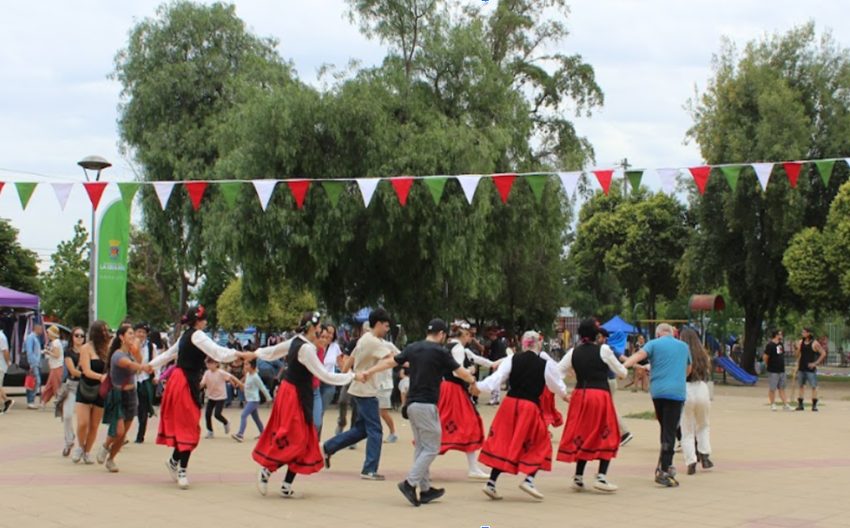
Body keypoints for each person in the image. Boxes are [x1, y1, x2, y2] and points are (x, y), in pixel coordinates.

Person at [147, 306, 268, 489]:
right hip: (184, 382)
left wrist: (150, 365)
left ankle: (174, 461)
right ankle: (181, 469)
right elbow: (217, 352)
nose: (205, 322)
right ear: (198, 321)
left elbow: (168, 354)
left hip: (181, 381)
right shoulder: (197, 335)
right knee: (189, 426)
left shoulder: (186, 335)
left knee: (187, 425)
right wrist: (240, 354)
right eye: (204, 319)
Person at [250, 311, 363, 498]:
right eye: (319, 328)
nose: (321, 332)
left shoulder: (300, 341)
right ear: (312, 328)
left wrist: (253, 353)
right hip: (294, 395)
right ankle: (267, 470)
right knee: (294, 437)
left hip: (297, 393)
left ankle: (286, 484)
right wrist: (352, 376)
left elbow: (272, 351)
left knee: (304, 440)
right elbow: (324, 375)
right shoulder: (305, 348)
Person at [365, 318, 475, 507]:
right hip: (426, 404)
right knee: (432, 447)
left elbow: (390, 362)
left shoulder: (413, 347)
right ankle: (410, 483)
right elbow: (460, 372)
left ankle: (425, 490)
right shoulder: (440, 352)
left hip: (412, 405)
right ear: (441, 335)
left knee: (422, 447)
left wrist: (370, 371)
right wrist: (473, 381)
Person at [469, 330, 567, 501]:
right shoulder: (545, 364)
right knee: (541, 442)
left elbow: (496, 378)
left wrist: (479, 386)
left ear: (523, 344)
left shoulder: (511, 359)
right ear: (538, 344)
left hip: (510, 404)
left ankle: (491, 482)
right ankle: (529, 479)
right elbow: (556, 385)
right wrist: (565, 395)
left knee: (504, 441)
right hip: (529, 407)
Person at [323, 309, 400, 481]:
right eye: (386, 326)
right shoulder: (373, 341)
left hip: (360, 388)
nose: (387, 329)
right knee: (375, 430)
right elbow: (392, 359)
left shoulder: (364, 338)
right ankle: (369, 468)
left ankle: (328, 447)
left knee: (361, 430)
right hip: (366, 391)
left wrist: (343, 377)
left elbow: (350, 359)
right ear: (378, 324)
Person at [556, 320, 627, 493]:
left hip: (580, 395)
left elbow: (557, 373)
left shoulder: (573, 352)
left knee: (583, 433)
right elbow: (622, 372)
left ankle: (578, 477)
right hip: (599, 394)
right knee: (607, 432)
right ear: (597, 334)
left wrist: (564, 392)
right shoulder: (603, 350)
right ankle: (601, 476)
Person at [623, 323, 692, 487]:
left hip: (658, 393)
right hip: (676, 393)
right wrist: (677, 376)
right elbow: (688, 369)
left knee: (665, 428)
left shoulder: (653, 344)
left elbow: (639, 355)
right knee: (670, 429)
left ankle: (666, 464)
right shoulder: (684, 346)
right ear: (671, 333)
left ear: (659, 334)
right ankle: (664, 469)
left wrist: (621, 368)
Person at [438, 322, 494, 479]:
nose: (471, 338)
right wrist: (470, 371)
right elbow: (457, 372)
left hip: (446, 389)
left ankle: (473, 467)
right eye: (470, 335)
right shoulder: (458, 349)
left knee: (442, 424)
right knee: (470, 423)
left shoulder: (448, 347)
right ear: (464, 336)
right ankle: (473, 468)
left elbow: (475, 360)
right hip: (454, 391)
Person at [97, 324, 152, 473]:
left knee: (124, 433)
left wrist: (138, 349)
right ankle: (105, 446)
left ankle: (111, 459)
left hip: (131, 395)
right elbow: (129, 365)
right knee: (119, 430)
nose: (133, 336)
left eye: (133, 334)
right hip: (117, 395)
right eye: (130, 334)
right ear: (121, 337)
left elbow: (137, 363)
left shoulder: (131, 353)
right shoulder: (117, 355)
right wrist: (143, 366)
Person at [72, 321, 110, 464]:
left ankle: (87, 451)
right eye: (103, 331)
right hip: (86, 387)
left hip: (101, 391)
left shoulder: (108, 348)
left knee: (94, 425)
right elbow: (86, 371)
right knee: (83, 423)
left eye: (106, 331)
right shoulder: (86, 348)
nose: (105, 333)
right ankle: (80, 447)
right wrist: (101, 377)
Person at [678, 328, 713, 475]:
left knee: (687, 429)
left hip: (686, 388)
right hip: (702, 387)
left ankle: (691, 461)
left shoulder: (681, 353)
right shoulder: (703, 354)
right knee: (703, 425)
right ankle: (705, 455)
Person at [596, 328, 633, 446]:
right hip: (608, 382)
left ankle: (624, 433)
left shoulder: (607, 348)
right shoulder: (602, 348)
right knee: (603, 409)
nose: (599, 339)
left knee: (608, 408)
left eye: (601, 337)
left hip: (608, 382)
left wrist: (635, 365)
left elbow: (623, 359)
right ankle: (608, 433)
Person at [57, 327, 84, 456]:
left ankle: (83, 446)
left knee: (84, 420)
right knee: (67, 415)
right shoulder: (68, 352)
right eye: (77, 335)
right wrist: (88, 374)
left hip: (85, 387)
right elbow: (73, 371)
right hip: (72, 386)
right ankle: (69, 441)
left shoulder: (88, 351)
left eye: (82, 336)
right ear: (72, 337)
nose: (79, 338)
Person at [232, 359, 272, 442]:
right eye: (245, 364)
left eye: (247, 365)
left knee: (243, 415)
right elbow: (248, 387)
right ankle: (263, 433)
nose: (245, 367)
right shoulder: (248, 375)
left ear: (252, 366)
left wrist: (268, 398)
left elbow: (262, 387)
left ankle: (240, 434)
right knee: (256, 418)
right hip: (249, 400)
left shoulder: (255, 377)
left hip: (254, 400)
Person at [200, 357, 241, 438]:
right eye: (208, 363)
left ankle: (226, 422)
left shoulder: (221, 372)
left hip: (221, 396)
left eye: (211, 363)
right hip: (211, 396)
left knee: (217, 414)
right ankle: (210, 431)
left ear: (216, 364)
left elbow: (231, 377)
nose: (209, 365)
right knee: (207, 414)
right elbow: (202, 383)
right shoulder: (207, 373)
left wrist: (241, 384)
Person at [133, 322, 159, 443]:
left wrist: (156, 376)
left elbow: (157, 361)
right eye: (139, 332)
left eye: (143, 332)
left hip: (144, 379)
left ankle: (140, 435)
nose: (141, 334)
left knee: (143, 407)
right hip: (132, 379)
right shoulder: (129, 345)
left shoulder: (151, 346)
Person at [318, 324, 342, 439]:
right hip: (316, 382)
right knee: (315, 412)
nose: (329, 335)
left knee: (320, 412)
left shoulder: (335, 347)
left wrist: (350, 376)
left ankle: (316, 439)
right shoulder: (316, 345)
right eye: (328, 332)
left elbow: (341, 364)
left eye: (332, 333)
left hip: (329, 383)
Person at [794, 328, 826, 411]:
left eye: (804, 332)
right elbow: (797, 355)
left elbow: (823, 353)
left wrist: (815, 363)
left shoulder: (814, 343)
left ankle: (814, 404)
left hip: (810, 368)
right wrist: (797, 348)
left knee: (814, 386)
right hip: (802, 367)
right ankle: (800, 403)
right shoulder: (801, 342)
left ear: (808, 333)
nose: (802, 333)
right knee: (801, 385)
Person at [764, 329, 792, 411]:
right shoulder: (770, 345)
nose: (781, 335)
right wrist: (768, 365)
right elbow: (766, 357)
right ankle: (772, 403)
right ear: (776, 335)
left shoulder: (780, 345)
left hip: (781, 370)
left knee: (782, 388)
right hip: (773, 370)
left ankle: (785, 404)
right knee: (772, 388)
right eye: (780, 334)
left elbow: (780, 355)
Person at [40, 326, 65, 408]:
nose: (47, 334)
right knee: (50, 385)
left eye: (48, 333)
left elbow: (56, 355)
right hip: (54, 366)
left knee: (55, 385)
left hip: (56, 367)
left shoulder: (55, 343)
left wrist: (48, 352)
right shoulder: (54, 342)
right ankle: (43, 401)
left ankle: (58, 402)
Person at [24, 323, 44, 409]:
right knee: (35, 381)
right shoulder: (31, 338)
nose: (42, 331)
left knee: (32, 381)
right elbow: (29, 352)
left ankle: (30, 400)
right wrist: (32, 364)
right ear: (37, 328)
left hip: (36, 363)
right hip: (33, 364)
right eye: (41, 329)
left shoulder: (35, 338)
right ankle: (30, 401)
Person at [486, 330, 508, 405]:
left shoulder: (496, 344)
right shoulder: (499, 343)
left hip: (496, 363)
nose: (491, 337)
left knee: (494, 380)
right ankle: (496, 398)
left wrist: (494, 364)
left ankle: (493, 398)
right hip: (499, 363)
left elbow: (495, 355)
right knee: (497, 381)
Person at [0, 328, 13, 414]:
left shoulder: (1, 337)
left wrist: (7, 361)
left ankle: (6, 402)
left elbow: (5, 351)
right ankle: (6, 401)